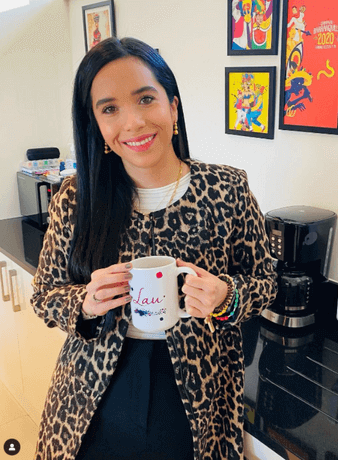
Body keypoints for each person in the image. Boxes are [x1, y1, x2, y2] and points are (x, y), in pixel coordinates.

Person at [31, 36, 277, 460]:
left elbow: (265, 282)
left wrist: (226, 295)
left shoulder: (227, 188)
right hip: (92, 388)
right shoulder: (77, 198)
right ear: (96, 124)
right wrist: (85, 302)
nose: (133, 122)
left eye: (146, 99)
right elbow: (44, 296)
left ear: (173, 107)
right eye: (110, 109)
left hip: (198, 391)